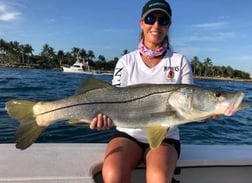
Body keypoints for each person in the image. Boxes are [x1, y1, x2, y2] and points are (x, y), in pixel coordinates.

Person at [89, 0, 193, 182]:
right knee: (113, 174)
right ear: (141, 23)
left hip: (166, 137)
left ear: (169, 26)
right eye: (151, 18)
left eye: (163, 21)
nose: (156, 25)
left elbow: (190, 105)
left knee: (158, 177)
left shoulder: (180, 62)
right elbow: (112, 98)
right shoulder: (126, 61)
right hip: (128, 133)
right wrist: (100, 119)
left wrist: (210, 111)